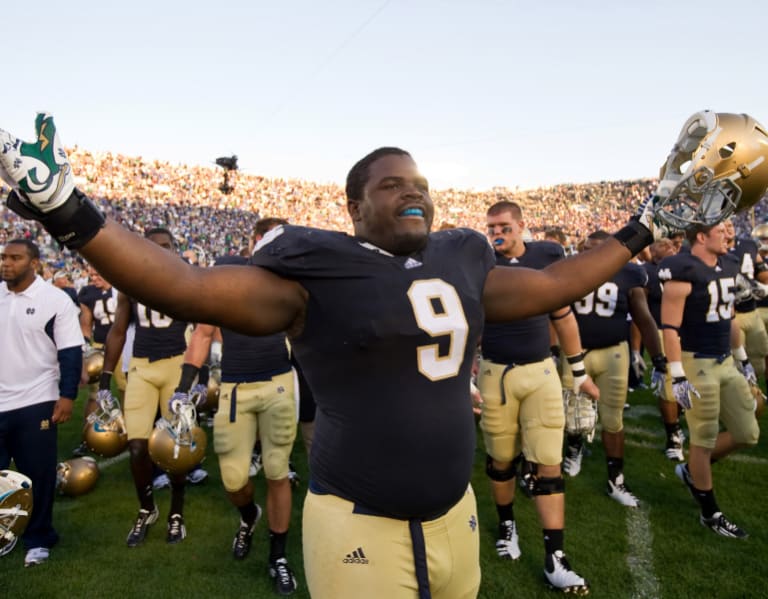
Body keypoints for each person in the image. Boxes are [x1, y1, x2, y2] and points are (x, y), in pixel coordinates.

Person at [0, 116, 675, 598]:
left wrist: (650, 223)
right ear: (353, 207)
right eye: (390, 184)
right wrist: (66, 207)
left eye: (418, 181)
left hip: (454, 512)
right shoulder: (313, 269)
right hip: (358, 519)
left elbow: (557, 284)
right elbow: (181, 284)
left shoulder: (461, 258)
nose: (411, 190)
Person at [175, 218, 300, 595]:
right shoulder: (229, 269)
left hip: (278, 382)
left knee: (277, 470)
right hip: (235, 386)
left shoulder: (292, 276)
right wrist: (184, 386)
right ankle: (249, 517)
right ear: (254, 241)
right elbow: (203, 331)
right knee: (233, 479)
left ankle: (277, 554)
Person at [478, 201, 597, 593]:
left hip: (541, 370)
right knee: (501, 460)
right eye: (492, 226)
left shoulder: (546, 256)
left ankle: (555, 557)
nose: (498, 232)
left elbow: (562, 314)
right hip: (495, 372)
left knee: (549, 463)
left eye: (505, 226)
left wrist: (578, 373)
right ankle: (507, 523)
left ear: (521, 226)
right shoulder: (481, 264)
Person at [658, 222, 759, 538]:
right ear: (701, 237)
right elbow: (670, 330)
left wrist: (743, 360)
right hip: (695, 364)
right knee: (702, 438)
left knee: (748, 431)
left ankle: (690, 471)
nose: (729, 235)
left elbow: (728, 318)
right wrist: (678, 377)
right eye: (722, 230)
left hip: (724, 361)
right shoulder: (683, 270)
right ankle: (710, 513)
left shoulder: (727, 265)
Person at [97, 227, 196, 547]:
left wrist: (201, 372)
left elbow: (205, 324)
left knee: (176, 447)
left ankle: (176, 513)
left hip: (176, 366)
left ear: (175, 247)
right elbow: (117, 331)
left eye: (168, 246)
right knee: (137, 447)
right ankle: (147, 507)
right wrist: (104, 378)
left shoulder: (187, 276)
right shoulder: (130, 281)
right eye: (156, 247)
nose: (163, 251)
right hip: (141, 366)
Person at [562, 230, 666, 508]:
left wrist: (658, 358)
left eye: (599, 250)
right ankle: (575, 449)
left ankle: (615, 480)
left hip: (613, 353)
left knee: (613, 417)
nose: (592, 256)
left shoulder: (629, 273)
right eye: (588, 249)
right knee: (572, 412)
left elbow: (643, 317)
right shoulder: (571, 269)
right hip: (576, 352)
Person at [0, 239, 83, 566]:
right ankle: (6, 530)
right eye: (4, 257)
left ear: (33, 262)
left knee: (38, 474)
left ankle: (38, 537)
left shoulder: (55, 300)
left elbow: (71, 352)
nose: (7, 263)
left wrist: (67, 396)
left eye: (15, 258)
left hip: (37, 398)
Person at [73, 264, 118, 456]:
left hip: (125, 348)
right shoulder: (88, 293)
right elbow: (86, 323)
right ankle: (88, 435)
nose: (92, 276)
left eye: (96, 272)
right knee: (95, 394)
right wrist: (86, 347)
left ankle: (130, 434)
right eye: (90, 273)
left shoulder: (122, 288)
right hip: (100, 347)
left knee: (129, 391)